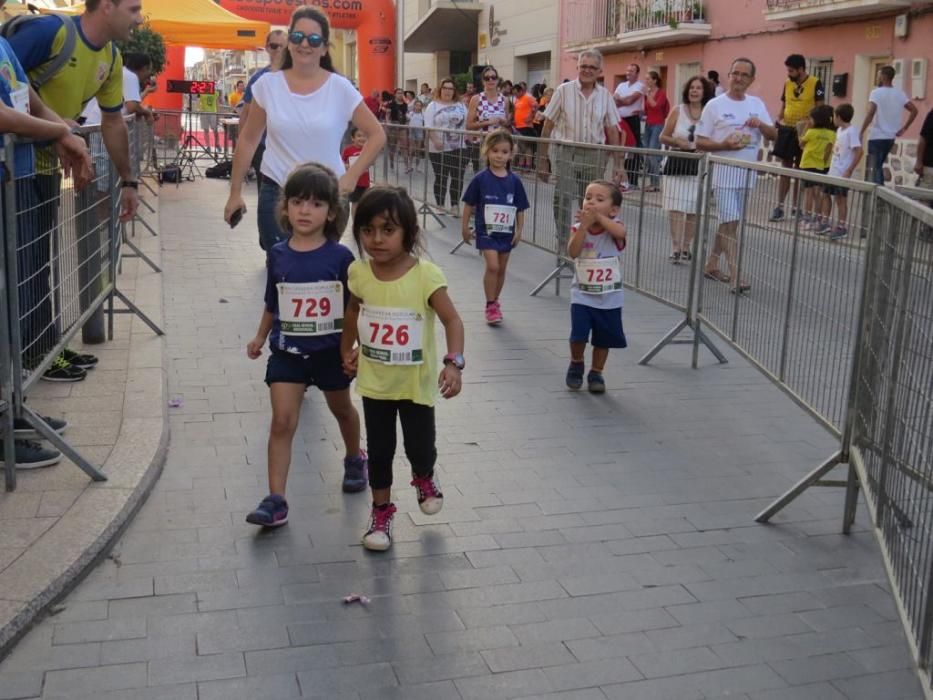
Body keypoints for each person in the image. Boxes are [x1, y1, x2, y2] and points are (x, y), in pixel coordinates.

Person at [8, 0, 142, 378]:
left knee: (37, 262)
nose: (139, 18)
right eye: (132, 8)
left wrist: (128, 181)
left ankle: (43, 348)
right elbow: (10, 85)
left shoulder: (112, 58)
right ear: (107, 7)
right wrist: (57, 129)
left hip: (44, 166)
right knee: (24, 264)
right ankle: (30, 358)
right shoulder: (50, 32)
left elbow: (113, 122)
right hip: (15, 166)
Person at [340, 186, 465, 552]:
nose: (376, 239)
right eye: (368, 230)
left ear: (409, 233)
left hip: (416, 385)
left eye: (388, 230)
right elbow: (353, 313)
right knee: (378, 452)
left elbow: (453, 320)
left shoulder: (426, 275)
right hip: (376, 384)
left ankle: (424, 475)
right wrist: (347, 348)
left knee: (419, 447)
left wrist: (453, 363)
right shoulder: (359, 272)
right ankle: (381, 513)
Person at [244, 164, 367, 528]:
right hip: (288, 354)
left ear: (331, 212)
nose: (304, 210)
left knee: (343, 410)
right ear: (285, 208)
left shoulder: (341, 258)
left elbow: (353, 307)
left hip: (330, 353)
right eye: (297, 202)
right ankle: (276, 499)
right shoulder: (278, 254)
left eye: (315, 204)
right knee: (282, 422)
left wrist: (353, 348)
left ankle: (353, 457)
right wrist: (260, 336)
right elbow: (273, 300)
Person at [223, 6, 385, 252]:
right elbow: (248, 140)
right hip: (277, 191)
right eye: (298, 37)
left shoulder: (340, 88)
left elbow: (377, 135)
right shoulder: (268, 85)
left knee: (319, 272)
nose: (305, 44)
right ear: (289, 43)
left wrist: (352, 175)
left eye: (314, 39)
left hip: (327, 197)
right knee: (281, 272)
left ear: (323, 47)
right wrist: (235, 193)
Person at [0, 34, 92, 468]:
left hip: (11, 181)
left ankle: (10, 409)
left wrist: (63, 131)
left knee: (8, 307)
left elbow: (26, 96)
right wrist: (59, 131)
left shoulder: (4, 44)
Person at [697, 57, 777, 293]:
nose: (738, 78)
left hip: (747, 175)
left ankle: (711, 263)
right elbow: (700, 141)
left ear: (752, 80)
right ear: (729, 75)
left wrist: (760, 125)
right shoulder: (715, 105)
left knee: (730, 222)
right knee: (730, 222)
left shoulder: (757, 104)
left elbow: (773, 135)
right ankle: (736, 275)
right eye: (735, 73)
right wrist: (724, 145)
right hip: (722, 174)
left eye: (744, 75)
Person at [537, 50, 621, 246]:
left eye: (592, 67)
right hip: (566, 152)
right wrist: (542, 160)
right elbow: (547, 126)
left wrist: (619, 164)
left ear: (599, 71)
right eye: (584, 66)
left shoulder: (605, 96)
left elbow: (613, 131)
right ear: (578, 67)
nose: (587, 70)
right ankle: (564, 243)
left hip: (594, 155)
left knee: (594, 203)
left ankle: (589, 242)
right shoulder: (563, 91)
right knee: (563, 197)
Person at [460, 130, 530, 325]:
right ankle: (490, 304)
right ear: (487, 152)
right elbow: (468, 204)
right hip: (486, 231)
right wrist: (465, 227)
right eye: (495, 151)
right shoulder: (480, 179)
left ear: (511, 154)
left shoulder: (514, 181)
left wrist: (519, 230)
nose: (499, 156)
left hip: (506, 233)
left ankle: (495, 302)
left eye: (504, 152)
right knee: (493, 266)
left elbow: (520, 207)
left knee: (501, 269)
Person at [566, 180, 627, 394]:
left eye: (599, 200)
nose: (591, 202)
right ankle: (576, 362)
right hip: (582, 294)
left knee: (603, 338)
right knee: (579, 334)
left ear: (614, 210)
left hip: (609, 297)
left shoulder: (615, 225)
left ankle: (596, 372)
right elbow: (572, 251)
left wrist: (599, 218)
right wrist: (584, 225)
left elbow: (620, 234)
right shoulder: (578, 226)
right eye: (588, 197)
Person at [660, 75, 714, 261]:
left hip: (699, 164)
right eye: (692, 87)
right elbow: (663, 137)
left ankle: (686, 246)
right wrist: (677, 141)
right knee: (675, 206)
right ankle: (675, 246)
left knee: (693, 207)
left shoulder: (710, 113)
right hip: (677, 160)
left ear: (705, 92)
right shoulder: (678, 110)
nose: (694, 91)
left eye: (699, 88)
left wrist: (706, 144)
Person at [770, 54, 825, 222]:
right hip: (787, 129)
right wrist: (777, 120)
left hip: (804, 131)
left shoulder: (816, 83)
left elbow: (820, 107)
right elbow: (784, 104)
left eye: (791, 70)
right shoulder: (787, 83)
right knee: (785, 169)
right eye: (788, 70)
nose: (789, 73)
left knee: (800, 169)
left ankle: (796, 207)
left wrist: (812, 127)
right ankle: (779, 206)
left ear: (801, 69)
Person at [240, 29, 287, 188]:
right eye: (274, 46)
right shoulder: (258, 79)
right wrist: (243, 152)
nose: (279, 50)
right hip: (263, 146)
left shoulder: (298, 76)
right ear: (267, 48)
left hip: (288, 147)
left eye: (283, 46)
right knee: (267, 194)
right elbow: (245, 113)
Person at [861, 65, 917, 186]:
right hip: (891, 137)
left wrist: (861, 131)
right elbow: (914, 110)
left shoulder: (875, 93)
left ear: (883, 77)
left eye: (878, 75)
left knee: (874, 167)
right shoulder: (900, 93)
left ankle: (877, 197)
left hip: (876, 136)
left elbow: (870, 113)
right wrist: (904, 128)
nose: (877, 77)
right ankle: (878, 196)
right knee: (878, 166)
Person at [423, 77, 467, 217]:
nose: (448, 91)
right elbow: (428, 126)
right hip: (438, 148)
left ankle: (455, 205)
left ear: (454, 91)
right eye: (445, 88)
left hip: (458, 147)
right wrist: (435, 140)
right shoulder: (433, 106)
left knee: (457, 177)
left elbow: (466, 125)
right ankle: (440, 205)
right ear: (440, 89)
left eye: (451, 88)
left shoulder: (461, 105)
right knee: (441, 176)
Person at [820, 103, 863, 241]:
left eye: (834, 116)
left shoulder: (852, 132)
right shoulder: (839, 131)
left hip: (842, 172)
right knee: (825, 194)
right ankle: (825, 221)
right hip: (833, 170)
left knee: (841, 199)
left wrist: (849, 170)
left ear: (838, 116)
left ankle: (842, 226)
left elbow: (859, 151)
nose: (833, 118)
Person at [797, 104, 836, 233]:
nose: (809, 121)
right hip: (821, 166)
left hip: (808, 164)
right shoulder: (831, 133)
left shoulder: (811, 132)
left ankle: (807, 217)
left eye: (811, 119)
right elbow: (829, 150)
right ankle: (818, 217)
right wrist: (824, 163)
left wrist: (805, 129)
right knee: (818, 193)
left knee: (808, 192)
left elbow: (801, 144)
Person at [466, 65, 510, 177]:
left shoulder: (504, 100)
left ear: (497, 79)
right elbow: (469, 125)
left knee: (499, 176)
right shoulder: (476, 99)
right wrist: (488, 122)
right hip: (482, 144)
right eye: (487, 78)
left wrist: (504, 122)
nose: (491, 80)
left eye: (493, 77)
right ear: (483, 81)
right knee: (482, 178)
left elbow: (507, 123)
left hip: (499, 144)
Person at [614, 63, 645, 188]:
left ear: (637, 73)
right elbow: (614, 100)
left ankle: (633, 180)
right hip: (621, 120)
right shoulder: (621, 85)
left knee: (633, 149)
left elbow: (630, 101)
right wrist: (623, 101)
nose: (628, 73)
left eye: (631, 71)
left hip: (633, 120)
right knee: (621, 149)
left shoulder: (640, 86)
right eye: (627, 71)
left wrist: (621, 100)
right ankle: (621, 179)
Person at [643, 70, 669, 192]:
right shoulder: (648, 93)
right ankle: (652, 182)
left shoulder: (661, 93)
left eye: (648, 79)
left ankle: (655, 184)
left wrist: (647, 95)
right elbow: (647, 109)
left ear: (654, 80)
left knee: (653, 153)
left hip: (658, 124)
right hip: (648, 124)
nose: (646, 81)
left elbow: (655, 106)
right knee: (647, 152)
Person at [342, 126, 370, 217]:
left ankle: (362, 221)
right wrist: (348, 166)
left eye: (364, 136)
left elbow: (372, 162)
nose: (362, 138)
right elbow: (342, 163)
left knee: (365, 203)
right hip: (354, 182)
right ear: (353, 138)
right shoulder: (348, 150)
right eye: (359, 136)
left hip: (365, 181)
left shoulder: (368, 149)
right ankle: (355, 223)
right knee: (355, 203)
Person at [121, 52, 154, 123]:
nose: (149, 76)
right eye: (149, 70)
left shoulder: (125, 73)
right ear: (144, 68)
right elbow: (132, 107)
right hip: (101, 126)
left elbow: (132, 103)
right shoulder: (131, 76)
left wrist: (147, 91)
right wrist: (147, 113)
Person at [512, 82, 537, 170]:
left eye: (516, 93)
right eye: (514, 94)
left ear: (521, 91)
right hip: (518, 127)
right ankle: (521, 164)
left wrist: (531, 117)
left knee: (527, 146)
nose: (515, 95)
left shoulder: (527, 97)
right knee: (521, 146)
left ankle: (528, 165)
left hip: (526, 127)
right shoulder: (517, 100)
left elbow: (535, 106)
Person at [386, 88, 409, 171]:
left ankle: (407, 166)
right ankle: (391, 162)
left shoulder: (405, 105)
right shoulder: (391, 104)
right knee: (392, 147)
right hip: (393, 126)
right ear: (395, 94)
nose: (400, 94)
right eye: (399, 93)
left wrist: (407, 122)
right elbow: (388, 115)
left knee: (404, 147)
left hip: (402, 127)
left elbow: (406, 115)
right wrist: (388, 123)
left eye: (401, 93)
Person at [199, 86, 220, 151]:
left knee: (215, 130)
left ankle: (217, 144)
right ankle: (208, 146)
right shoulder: (201, 93)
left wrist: (218, 114)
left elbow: (217, 103)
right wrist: (199, 109)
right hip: (204, 113)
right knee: (206, 130)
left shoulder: (215, 92)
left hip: (213, 113)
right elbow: (199, 102)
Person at [407, 98, 425, 172]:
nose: (418, 107)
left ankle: (417, 167)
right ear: (414, 106)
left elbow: (424, 124)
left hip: (419, 131)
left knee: (418, 150)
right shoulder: (411, 113)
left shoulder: (423, 114)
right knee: (411, 149)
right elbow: (407, 122)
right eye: (416, 105)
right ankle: (410, 165)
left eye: (419, 105)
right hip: (412, 131)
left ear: (421, 107)